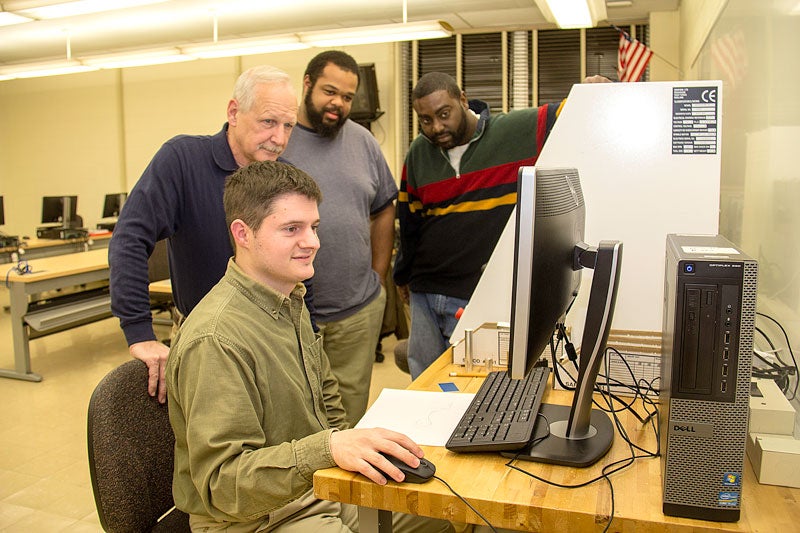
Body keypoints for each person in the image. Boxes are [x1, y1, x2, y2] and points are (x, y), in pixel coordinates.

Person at [166, 160, 453, 533]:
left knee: (452, 512)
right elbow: (224, 484)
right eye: (292, 229)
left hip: (316, 487)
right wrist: (329, 449)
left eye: (314, 227)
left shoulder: (288, 296)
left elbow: (326, 397)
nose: (313, 242)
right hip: (253, 519)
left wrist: (349, 448)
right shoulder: (216, 340)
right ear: (243, 233)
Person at [109, 65, 306, 404]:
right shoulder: (183, 160)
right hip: (207, 342)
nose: (280, 138)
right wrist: (139, 331)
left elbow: (299, 260)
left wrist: (306, 331)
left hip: (275, 335)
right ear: (234, 112)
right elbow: (129, 239)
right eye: (268, 122)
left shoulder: (285, 177)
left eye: (288, 126)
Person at [393, 72, 568, 379]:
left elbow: (569, 111)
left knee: (472, 382)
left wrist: (594, 89)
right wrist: (403, 276)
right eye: (425, 120)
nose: (436, 127)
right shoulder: (419, 152)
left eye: (443, 114)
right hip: (425, 292)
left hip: (476, 293)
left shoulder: (513, 131)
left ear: (463, 100)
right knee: (424, 382)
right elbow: (409, 221)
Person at [281, 51, 397, 426]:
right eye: (330, 91)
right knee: (295, 417)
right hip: (290, 312)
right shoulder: (277, 141)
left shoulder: (363, 142)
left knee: (348, 418)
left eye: (347, 97)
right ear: (307, 84)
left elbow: (383, 208)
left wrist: (378, 275)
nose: (338, 103)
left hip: (357, 311)